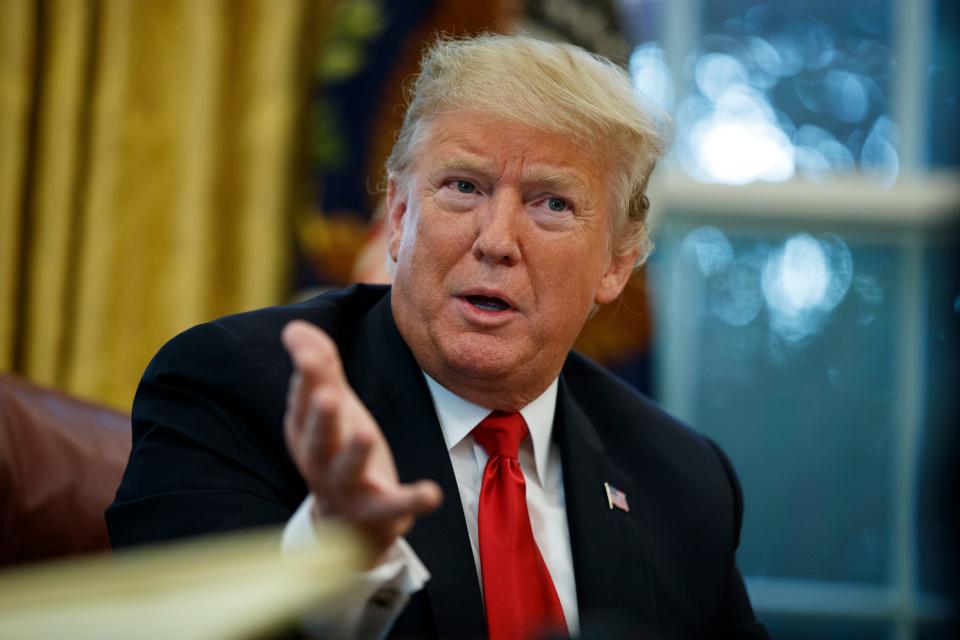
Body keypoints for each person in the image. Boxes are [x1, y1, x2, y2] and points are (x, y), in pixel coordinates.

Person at [107, 35, 768, 639]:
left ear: (617, 263)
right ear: (398, 216)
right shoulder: (234, 392)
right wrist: (337, 561)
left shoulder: (681, 479)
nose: (496, 241)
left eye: (552, 204)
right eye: (463, 186)